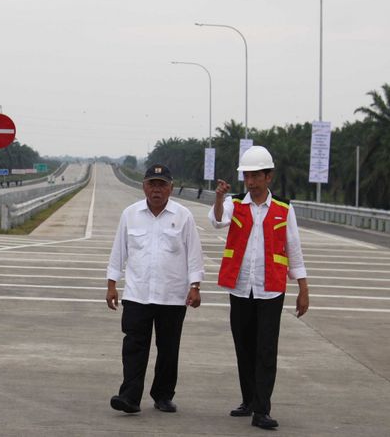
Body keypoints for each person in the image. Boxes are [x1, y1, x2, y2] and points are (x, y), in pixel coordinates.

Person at [209, 145, 309, 430]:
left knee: (266, 350)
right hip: (240, 287)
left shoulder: (284, 209)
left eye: (255, 176)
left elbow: (295, 249)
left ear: (269, 177)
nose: (250, 182)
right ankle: (249, 400)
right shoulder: (235, 203)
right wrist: (218, 198)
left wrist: (303, 288)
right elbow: (217, 221)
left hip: (270, 289)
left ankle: (262, 410)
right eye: (246, 177)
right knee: (244, 347)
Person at [106, 164, 204, 415]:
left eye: (162, 184)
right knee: (134, 347)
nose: (156, 189)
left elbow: (194, 255)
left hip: (172, 295)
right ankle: (129, 397)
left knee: (168, 349)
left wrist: (195, 286)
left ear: (171, 188)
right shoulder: (130, 214)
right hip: (137, 294)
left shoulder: (183, 216)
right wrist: (112, 284)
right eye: (152, 184)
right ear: (144, 187)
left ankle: (163, 395)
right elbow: (119, 251)